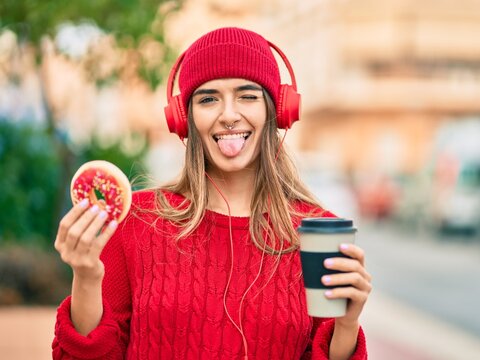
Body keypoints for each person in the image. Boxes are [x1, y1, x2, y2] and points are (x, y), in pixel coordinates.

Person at [52, 27, 372, 360]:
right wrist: (87, 277)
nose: (229, 115)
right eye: (208, 99)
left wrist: (347, 324)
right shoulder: (136, 223)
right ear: (184, 118)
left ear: (277, 111)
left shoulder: (318, 234)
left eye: (247, 96)